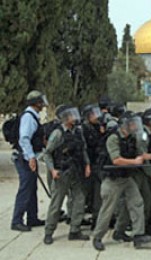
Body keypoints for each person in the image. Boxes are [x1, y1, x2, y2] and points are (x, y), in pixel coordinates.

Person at [92, 115, 151, 251]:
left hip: (126, 178)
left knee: (137, 203)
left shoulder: (132, 138)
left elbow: (140, 155)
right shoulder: (113, 138)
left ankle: (137, 235)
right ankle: (97, 237)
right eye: (132, 124)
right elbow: (116, 160)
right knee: (107, 210)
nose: (135, 126)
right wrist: (134, 162)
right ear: (124, 126)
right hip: (112, 180)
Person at [43, 106, 91, 244]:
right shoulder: (58, 134)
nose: (74, 117)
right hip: (62, 172)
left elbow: (83, 150)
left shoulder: (78, 132)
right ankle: (49, 231)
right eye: (71, 115)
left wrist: (87, 165)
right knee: (56, 203)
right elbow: (47, 154)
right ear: (65, 118)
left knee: (80, 200)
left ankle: (75, 229)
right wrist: (52, 170)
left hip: (76, 171)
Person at [11, 90, 48, 232]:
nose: (43, 104)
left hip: (28, 157)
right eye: (41, 101)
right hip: (24, 158)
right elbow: (24, 139)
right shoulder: (28, 117)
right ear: (37, 103)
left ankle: (32, 218)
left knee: (32, 188)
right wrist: (31, 157)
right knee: (25, 189)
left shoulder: (33, 116)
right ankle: (16, 221)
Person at [81, 104, 104, 229]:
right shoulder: (83, 129)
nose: (97, 116)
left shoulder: (97, 127)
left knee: (97, 194)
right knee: (84, 194)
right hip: (88, 165)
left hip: (96, 164)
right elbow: (84, 148)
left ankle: (96, 219)